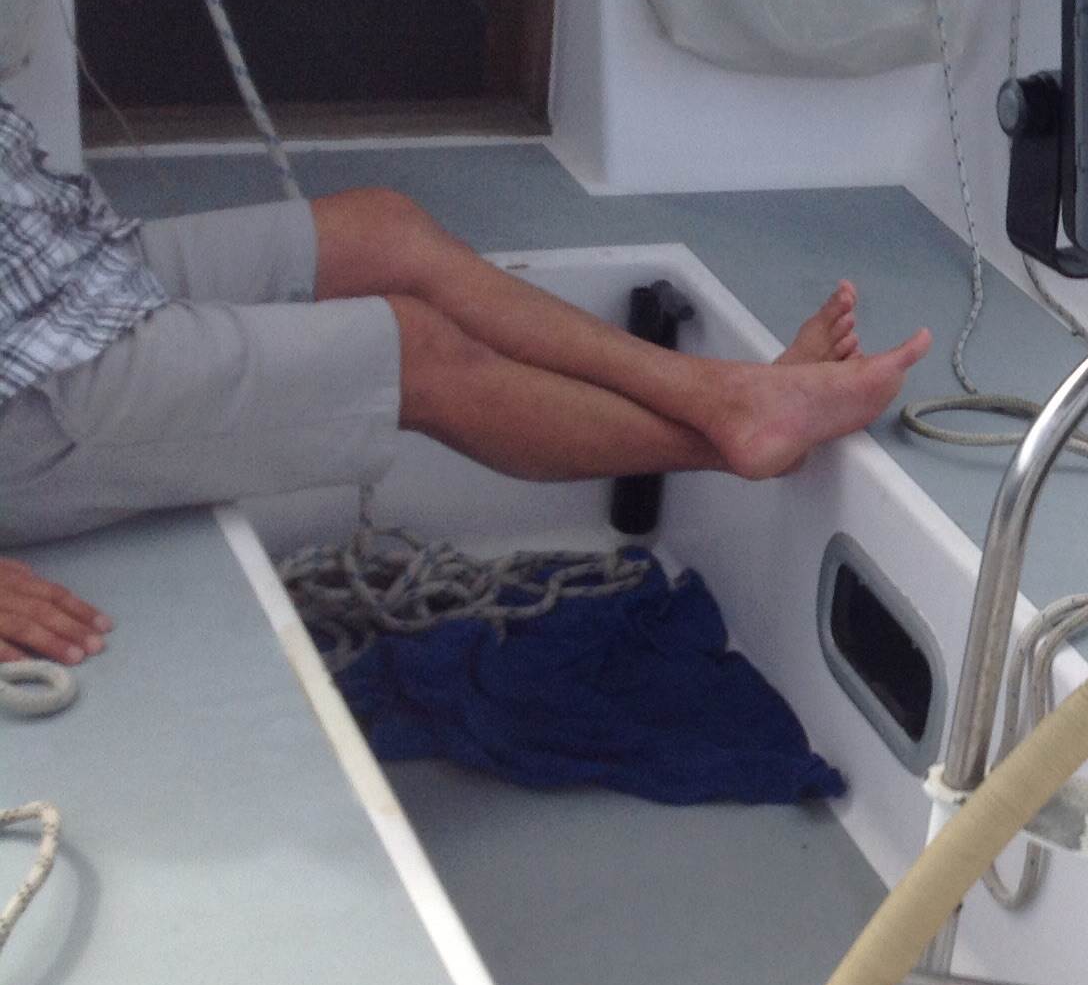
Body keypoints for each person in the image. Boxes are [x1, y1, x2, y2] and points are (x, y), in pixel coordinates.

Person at [0, 90, 931, 659]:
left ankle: (727, 395)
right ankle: (737, 436)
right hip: (34, 389)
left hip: (61, 266)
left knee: (385, 230)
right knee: (415, 351)